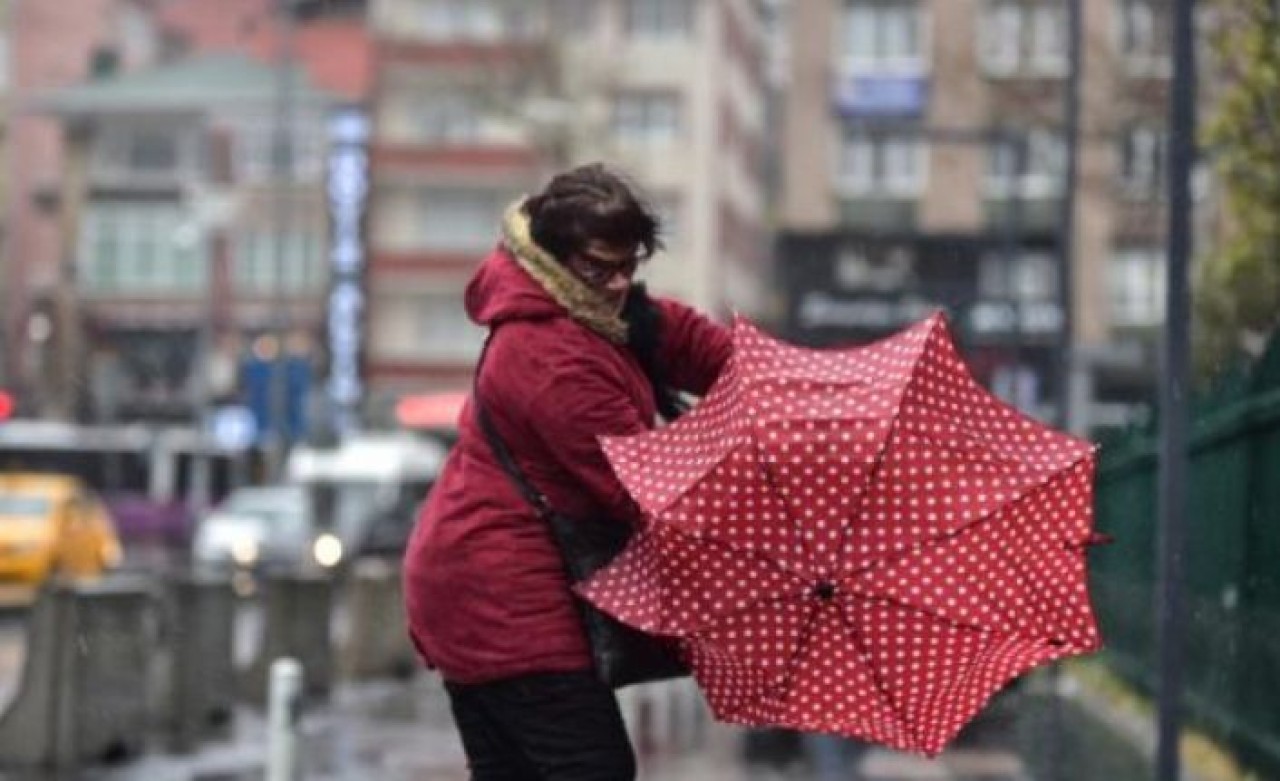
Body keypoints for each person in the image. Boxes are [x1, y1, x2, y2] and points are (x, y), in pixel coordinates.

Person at [402, 163, 732, 781]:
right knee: (592, 767)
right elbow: (641, 487)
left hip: (488, 587)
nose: (616, 284)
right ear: (553, 259)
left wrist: (786, 396)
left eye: (628, 266)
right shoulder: (550, 357)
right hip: (499, 595)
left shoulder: (596, 313)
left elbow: (689, 342)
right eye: (597, 268)